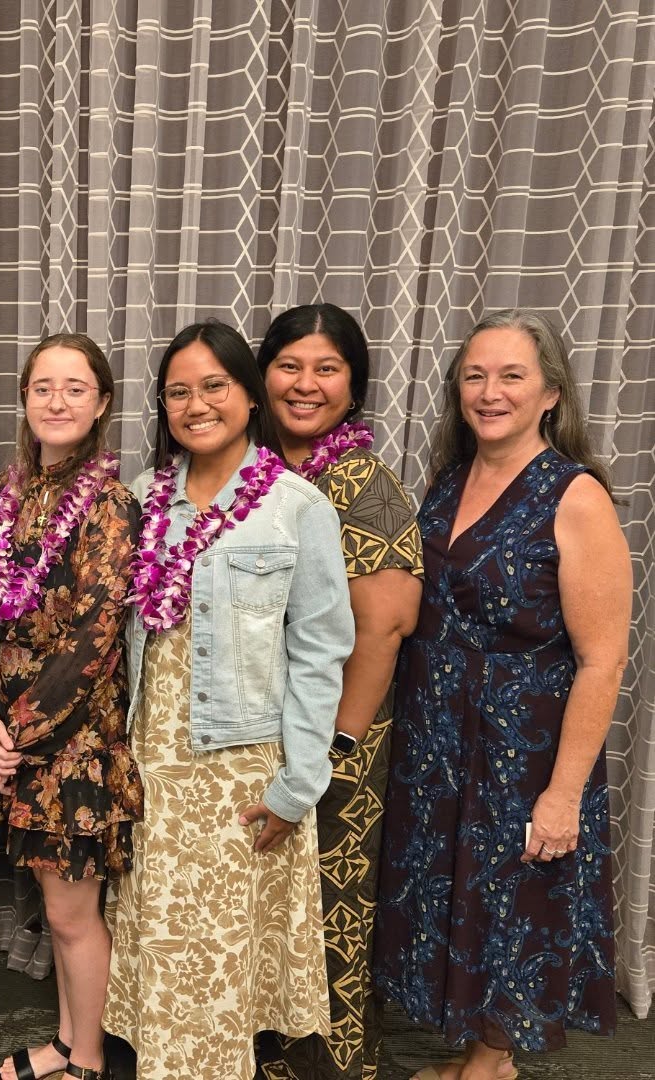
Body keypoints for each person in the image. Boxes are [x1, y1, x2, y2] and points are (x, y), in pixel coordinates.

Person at [374, 311, 630, 1080]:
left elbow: (602, 659)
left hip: (523, 749)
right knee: (462, 903)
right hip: (437, 740)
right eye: (474, 376)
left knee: (514, 906)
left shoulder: (574, 496)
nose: (490, 392)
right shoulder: (449, 480)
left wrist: (561, 794)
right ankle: (471, 1055)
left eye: (510, 376)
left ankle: (489, 1064)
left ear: (550, 392)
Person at [102, 319, 354, 1080]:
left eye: (214, 385)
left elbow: (319, 654)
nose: (195, 403)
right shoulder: (145, 498)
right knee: (163, 956)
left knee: (220, 970)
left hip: (241, 770)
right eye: (177, 391)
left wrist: (296, 786)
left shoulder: (296, 506)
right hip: (153, 764)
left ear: (249, 397)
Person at [254, 304, 424, 1080]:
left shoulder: (365, 486)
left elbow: (384, 628)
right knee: (265, 907)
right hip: (259, 730)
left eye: (326, 369)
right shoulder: (253, 468)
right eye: (289, 365)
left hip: (334, 743)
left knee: (325, 916)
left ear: (352, 388)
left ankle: (328, 1065)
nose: (304, 384)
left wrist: (336, 748)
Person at [0, 333, 142, 1080]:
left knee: (73, 918)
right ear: (23, 399)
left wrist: (15, 729)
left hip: (73, 746)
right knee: (58, 909)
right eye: (44, 386)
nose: (58, 401)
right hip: (10, 736)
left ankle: (86, 1062)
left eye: (76, 387)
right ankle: (69, 1046)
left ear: (102, 403)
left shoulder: (109, 504)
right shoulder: (2, 500)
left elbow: (93, 637)